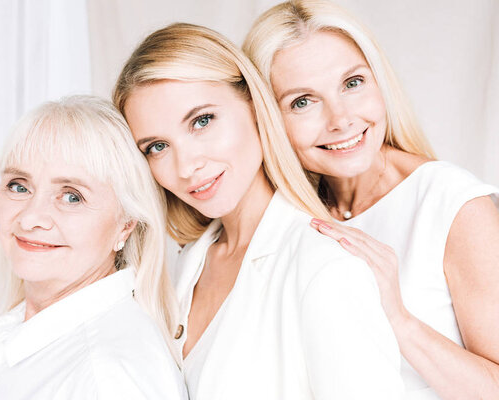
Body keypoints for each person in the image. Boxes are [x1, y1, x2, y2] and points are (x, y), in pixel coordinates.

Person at [113, 22, 405, 399]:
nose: (186, 166)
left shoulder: (324, 266)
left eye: (202, 121)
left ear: (254, 104)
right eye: (157, 146)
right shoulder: (189, 263)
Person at [243, 1, 499, 399]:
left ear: (380, 81)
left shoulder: (453, 204)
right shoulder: (286, 219)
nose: (341, 119)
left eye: (352, 83)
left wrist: (397, 318)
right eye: (302, 102)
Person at [0, 96, 188, 400]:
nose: (30, 218)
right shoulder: (28, 330)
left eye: (71, 197)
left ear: (126, 224)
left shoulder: (109, 376)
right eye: (19, 186)